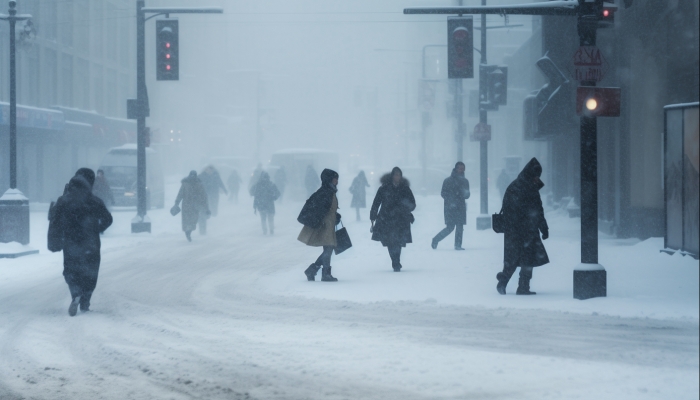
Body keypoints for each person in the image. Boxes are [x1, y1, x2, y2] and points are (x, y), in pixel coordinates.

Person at [48, 168, 113, 316]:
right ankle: (85, 302)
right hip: (91, 244)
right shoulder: (94, 201)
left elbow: (54, 220)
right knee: (90, 272)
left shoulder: (63, 200)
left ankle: (75, 293)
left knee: (71, 270)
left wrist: (59, 234)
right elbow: (108, 219)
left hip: (70, 243)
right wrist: (97, 228)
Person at [496, 158, 550, 295]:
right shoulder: (526, 187)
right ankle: (519, 286)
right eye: (536, 175)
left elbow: (536, 209)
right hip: (524, 230)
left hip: (516, 230)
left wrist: (542, 227)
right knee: (524, 258)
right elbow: (535, 210)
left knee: (516, 258)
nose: (538, 178)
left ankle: (510, 283)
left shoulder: (517, 186)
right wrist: (541, 227)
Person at [297, 169, 341, 282]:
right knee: (329, 248)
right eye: (335, 178)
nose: (337, 180)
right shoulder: (325, 192)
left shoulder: (330, 191)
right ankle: (323, 273)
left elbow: (329, 208)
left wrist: (336, 216)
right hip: (325, 225)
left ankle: (314, 270)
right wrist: (324, 220)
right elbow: (321, 209)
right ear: (329, 179)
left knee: (329, 249)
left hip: (329, 224)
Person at [370, 167, 416, 272]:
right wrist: (373, 215)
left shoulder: (405, 188)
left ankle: (396, 261)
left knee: (398, 241)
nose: (397, 177)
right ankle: (395, 261)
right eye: (396, 175)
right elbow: (376, 203)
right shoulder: (384, 188)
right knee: (390, 242)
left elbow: (412, 203)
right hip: (387, 218)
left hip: (401, 219)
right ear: (392, 176)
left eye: (399, 175)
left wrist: (405, 207)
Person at [431, 162, 470, 250]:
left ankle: (458, 245)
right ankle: (435, 239)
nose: (462, 170)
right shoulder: (448, 180)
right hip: (450, 207)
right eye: (460, 168)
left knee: (460, 226)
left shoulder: (465, 181)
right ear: (456, 168)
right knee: (450, 227)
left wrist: (466, 194)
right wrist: (451, 200)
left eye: (463, 168)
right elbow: (443, 193)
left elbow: (467, 195)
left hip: (460, 207)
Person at [174, 171, 210, 242]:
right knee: (187, 220)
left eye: (194, 175)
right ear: (189, 175)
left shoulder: (199, 184)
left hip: (195, 206)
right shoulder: (185, 184)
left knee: (193, 221)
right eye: (192, 175)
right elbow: (180, 194)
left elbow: (204, 196)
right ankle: (187, 233)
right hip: (186, 206)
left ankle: (189, 231)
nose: (193, 176)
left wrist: (206, 207)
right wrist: (176, 203)